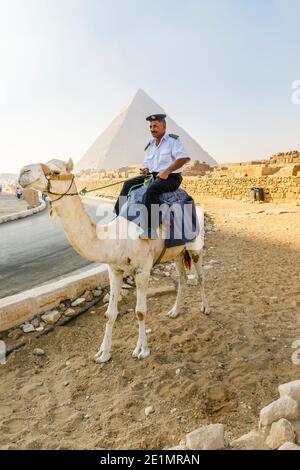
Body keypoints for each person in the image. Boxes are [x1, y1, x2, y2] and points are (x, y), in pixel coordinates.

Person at [114, 114, 190, 238]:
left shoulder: (172, 141)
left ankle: (151, 229)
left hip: (171, 177)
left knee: (151, 190)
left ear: (164, 127)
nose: (152, 129)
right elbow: (148, 165)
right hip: (152, 176)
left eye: (155, 126)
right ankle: (118, 217)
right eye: (150, 126)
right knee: (127, 184)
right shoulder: (150, 145)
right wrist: (145, 171)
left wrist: (167, 171)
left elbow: (183, 158)